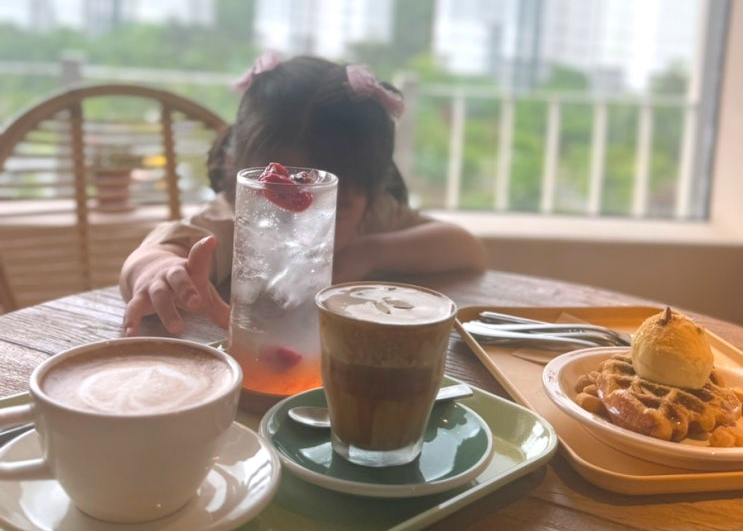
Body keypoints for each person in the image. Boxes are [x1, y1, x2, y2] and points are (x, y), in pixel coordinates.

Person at [120, 53, 486, 336]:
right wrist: (158, 271)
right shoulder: (231, 226)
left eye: (334, 207)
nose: (300, 225)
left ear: (371, 195)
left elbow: (466, 249)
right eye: (278, 198)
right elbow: (156, 251)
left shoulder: (372, 219)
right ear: (239, 177)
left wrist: (367, 252)